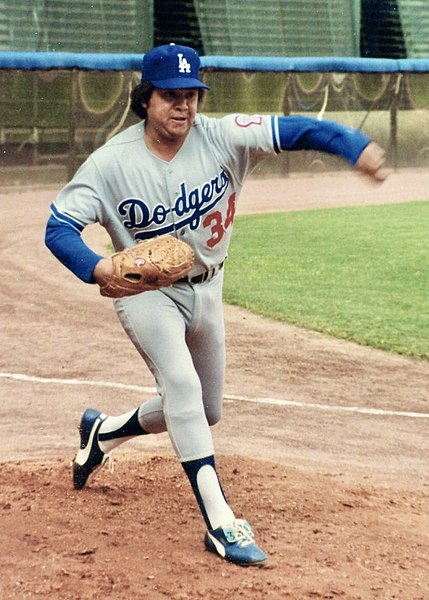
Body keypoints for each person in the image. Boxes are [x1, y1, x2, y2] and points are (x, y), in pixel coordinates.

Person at [45, 43, 387, 566]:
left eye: (191, 95)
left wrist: (353, 145)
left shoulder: (224, 137)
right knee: (180, 386)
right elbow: (58, 227)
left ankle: (104, 430)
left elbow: (301, 129)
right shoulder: (110, 163)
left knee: (204, 410)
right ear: (145, 100)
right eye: (170, 96)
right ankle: (222, 523)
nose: (183, 106)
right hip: (148, 295)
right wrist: (99, 267)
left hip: (210, 286)